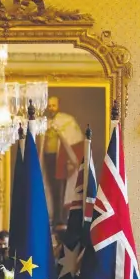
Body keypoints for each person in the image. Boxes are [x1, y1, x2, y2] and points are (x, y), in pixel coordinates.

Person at [39, 96, 84, 227]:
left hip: (62, 159)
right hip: (48, 157)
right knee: (51, 187)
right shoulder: (44, 122)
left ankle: (61, 218)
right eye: (49, 105)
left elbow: (75, 140)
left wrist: (59, 131)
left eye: (53, 105)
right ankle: (52, 216)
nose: (51, 108)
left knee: (60, 188)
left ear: (59, 105)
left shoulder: (67, 121)